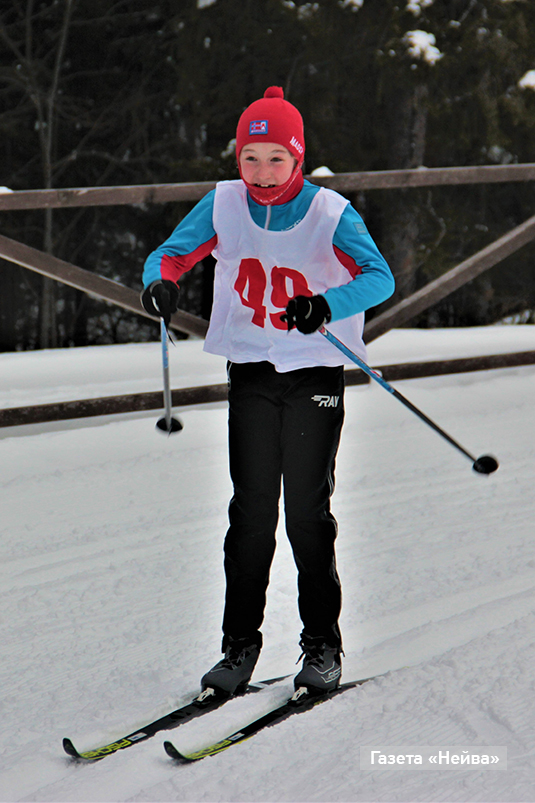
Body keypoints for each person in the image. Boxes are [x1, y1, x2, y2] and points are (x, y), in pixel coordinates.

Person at [141, 87, 395, 696]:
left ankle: (322, 646)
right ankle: (238, 647)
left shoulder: (330, 212)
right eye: (249, 158)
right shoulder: (225, 203)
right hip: (252, 370)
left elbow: (379, 277)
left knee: (307, 513)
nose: (260, 172)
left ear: (297, 156)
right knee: (251, 513)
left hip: (314, 373)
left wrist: (326, 304)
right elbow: (170, 256)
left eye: (276, 158)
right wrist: (159, 284)